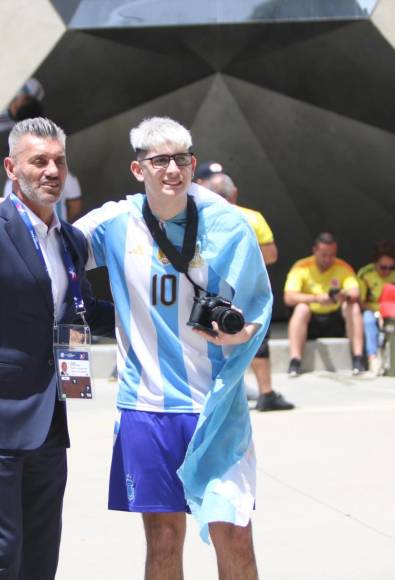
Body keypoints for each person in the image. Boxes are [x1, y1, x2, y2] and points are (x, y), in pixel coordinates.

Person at [71, 118, 271, 580]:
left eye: (182, 158)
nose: (172, 169)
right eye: (160, 160)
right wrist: (12, 212)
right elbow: (49, 247)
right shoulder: (114, 222)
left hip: (216, 407)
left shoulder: (226, 223)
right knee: (163, 537)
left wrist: (241, 333)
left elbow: (258, 303)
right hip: (147, 407)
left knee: (234, 531)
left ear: (193, 164)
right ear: (138, 169)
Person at [0, 119, 113, 579]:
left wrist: (152, 312)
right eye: (39, 161)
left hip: (50, 421)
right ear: (12, 168)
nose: (52, 170)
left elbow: (81, 308)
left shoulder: (70, 240)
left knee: (42, 552)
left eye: (59, 161)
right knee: (0, 555)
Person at [202, 170, 293, 411]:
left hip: (208, 294)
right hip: (246, 293)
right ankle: (266, 392)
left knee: (208, 341)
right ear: (235, 194)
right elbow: (271, 254)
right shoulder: (252, 217)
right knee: (255, 339)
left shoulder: (198, 220)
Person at [284, 232, 365, 376]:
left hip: (335, 319)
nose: (328, 259)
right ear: (315, 250)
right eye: (324, 254)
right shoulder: (301, 267)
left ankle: (358, 357)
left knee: (353, 307)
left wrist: (343, 296)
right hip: (310, 321)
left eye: (332, 254)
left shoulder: (343, 267)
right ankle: (295, 360)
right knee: (301, 308)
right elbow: (288, 297)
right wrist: (316, 299)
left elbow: (355, 292)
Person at [356, 241, 395, 374]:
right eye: (383, 267)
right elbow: (361, 301)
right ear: (375, 264)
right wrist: (379, 310)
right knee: (368, 319)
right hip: (372, 310)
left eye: (390, 267)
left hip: (394, 311)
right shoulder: (365, 274)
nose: (387, 271)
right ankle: (372, 358)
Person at [3, 170, 82, 223]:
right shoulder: (12, 181)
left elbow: (75, 207)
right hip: (29, 238)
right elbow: (10, 212)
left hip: (59, 234)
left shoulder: (66, 176)